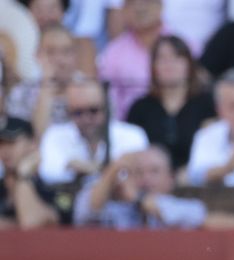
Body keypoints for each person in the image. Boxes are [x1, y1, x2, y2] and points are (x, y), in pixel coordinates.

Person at [36, 74, 147, 185]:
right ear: (68, 112)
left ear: (106, 108)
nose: (86, 118)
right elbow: (47, 171)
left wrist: (95, 171)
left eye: (93, 110)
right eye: (78, 112)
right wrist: (71, 165)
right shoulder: (56, 135)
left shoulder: (132, 135)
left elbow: (137, 177)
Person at [124, 34, 214, 169]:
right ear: (153, 67)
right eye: (162, 58)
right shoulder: (140, 109)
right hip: (150, 183)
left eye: (176, 57)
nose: (169, 64)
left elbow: (212, 150)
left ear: (189, 64)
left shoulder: (207, 105)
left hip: (196, 182)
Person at [73, 144, 208, 226]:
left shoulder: (186, 206)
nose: (146, 179)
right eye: (138, 172)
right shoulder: (118, 209)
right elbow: (84, 214)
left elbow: (194, 216)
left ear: (170, 178)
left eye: (154, 171)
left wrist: (139, 199)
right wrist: (112, 172)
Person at [5, 22, 73, 132]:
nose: (60, 60)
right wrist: (47, 86)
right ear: (37, 55)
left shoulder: (89, 89)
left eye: (66, 52)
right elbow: (35, 137)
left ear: (75, 55)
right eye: (51, 52)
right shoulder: (21, 93)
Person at [97, 0, 161, 118]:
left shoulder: (182, 46)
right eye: (132, 3)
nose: (140, 8)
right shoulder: (113, 53)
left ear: (161, 6)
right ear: (123, 10)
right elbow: (107, 99)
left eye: (146, 2)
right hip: (128, 126)